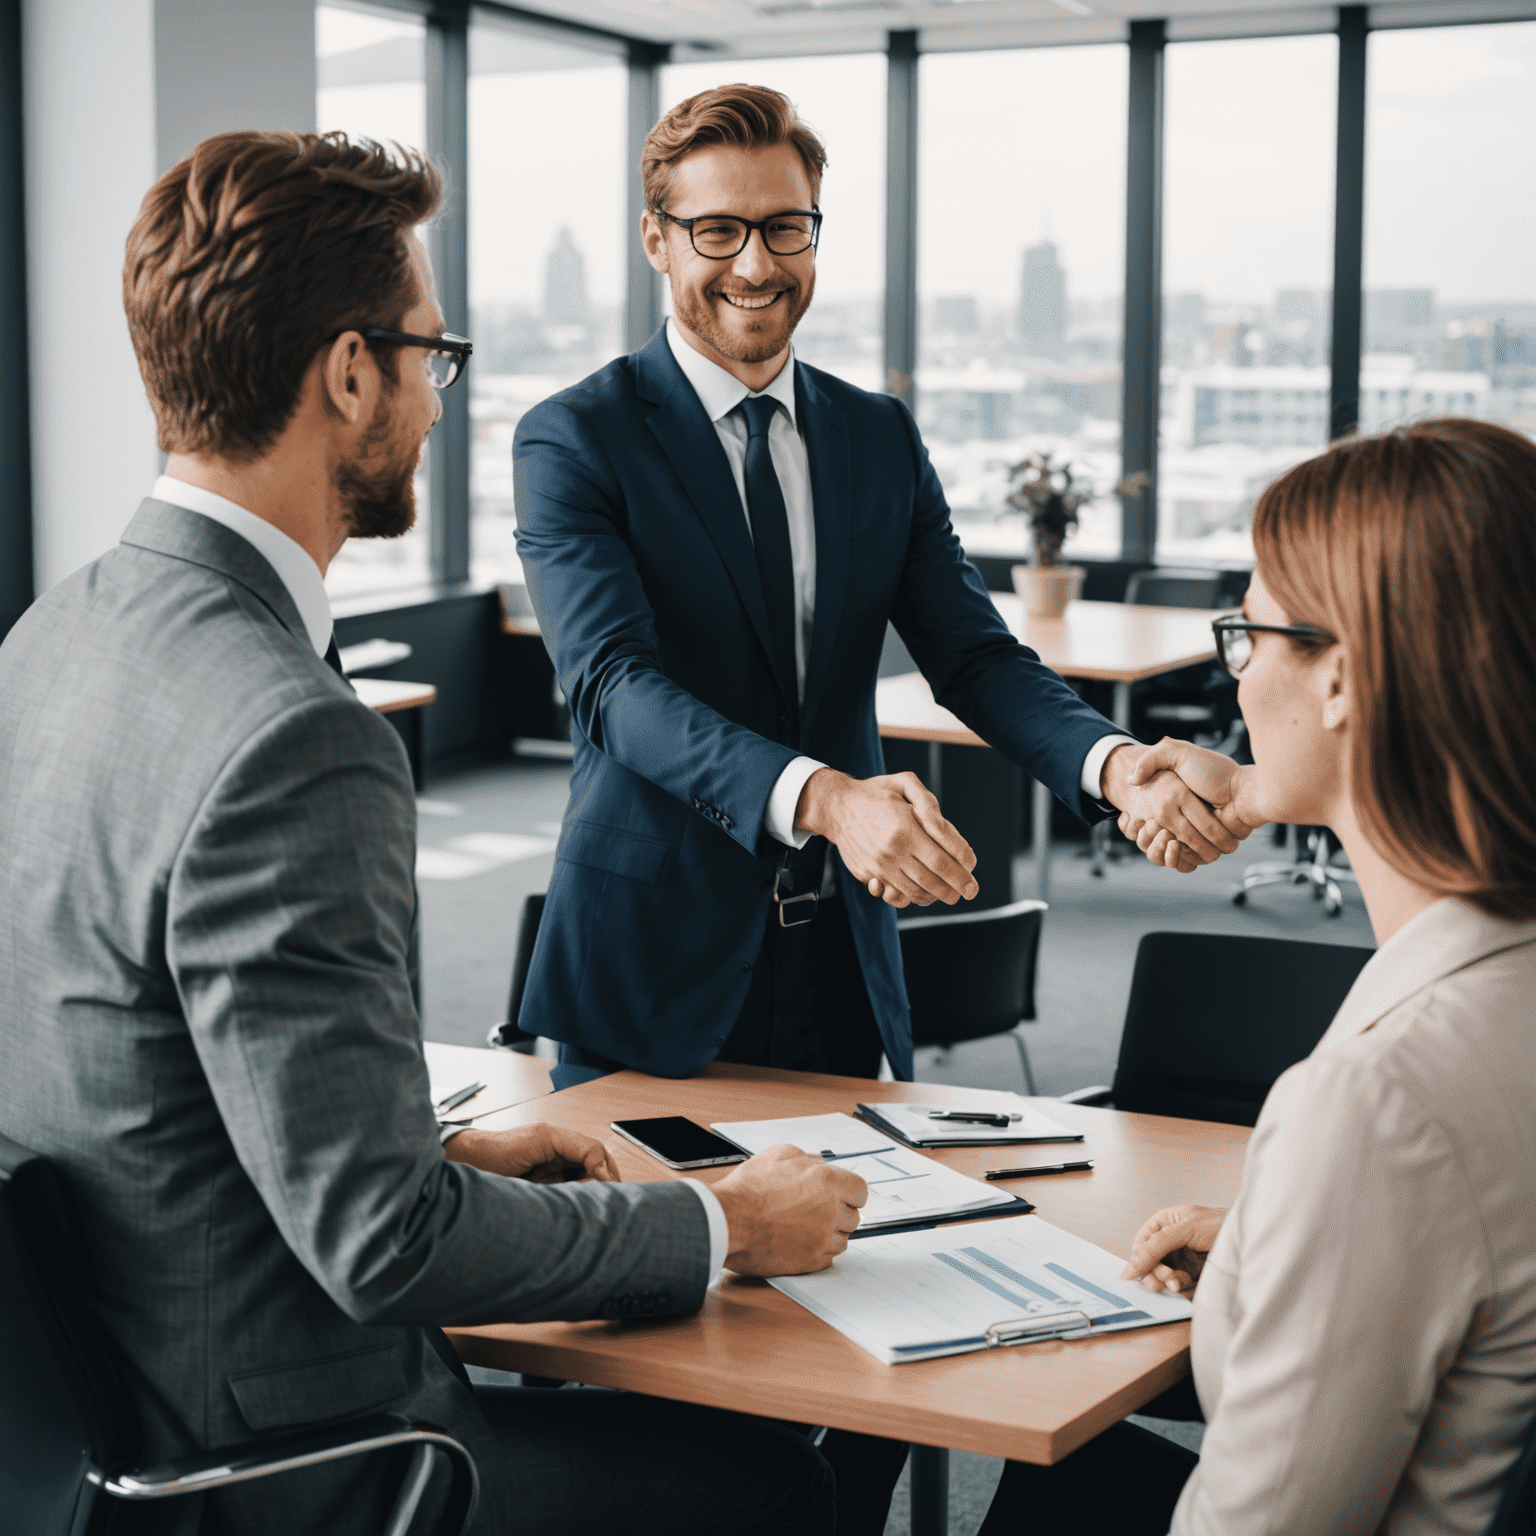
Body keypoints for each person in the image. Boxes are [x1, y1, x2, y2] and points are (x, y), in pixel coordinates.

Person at [0, 130, 867, 1536]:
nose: (435, 399)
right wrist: (727, 1224)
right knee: (781, 1488)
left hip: (96, 1422)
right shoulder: (295, 734)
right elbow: (380, 1246)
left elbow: (144, 1087)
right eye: (428, 355)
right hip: (302, 1461)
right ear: (351, 373)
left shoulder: (56, 633)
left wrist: (444, 1155)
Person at [512, 83, 1243, 1092]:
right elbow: (612, 686)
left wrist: (1117, 770)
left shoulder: (877, 435)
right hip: (650, 954)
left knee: (856, 1240)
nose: (756, 265)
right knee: (661, 1244)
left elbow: (974, 656)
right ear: (657, 239)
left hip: (841, 951)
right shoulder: (576, 436)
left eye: (785, 228)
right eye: (717, 230)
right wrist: (825, 799)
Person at [978, 418, 1536, 1533]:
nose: (1234, 677)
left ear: (1343, 677)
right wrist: (1284, 1246)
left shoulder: (1377, 1105)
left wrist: (1331, 1202)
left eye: (1250, 635)